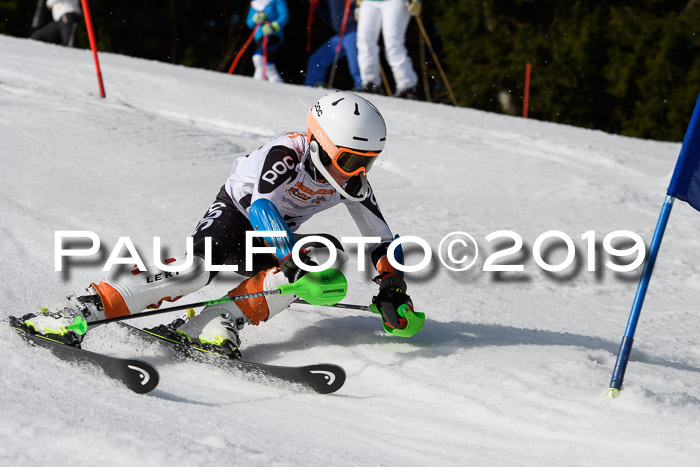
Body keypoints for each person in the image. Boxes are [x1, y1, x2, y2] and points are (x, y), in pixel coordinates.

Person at [20, 92, 417, 358]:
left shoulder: (353, 182)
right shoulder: (287, 153)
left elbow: (382, 239)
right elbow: (262, 207)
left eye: (369, 162)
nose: (358, 172)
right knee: (194, 273)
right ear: (318, 144)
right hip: (237, 215)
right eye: (350, 160)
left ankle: (218, 320)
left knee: (318, 262)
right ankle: (80, 309)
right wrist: (287, 255)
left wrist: (392, 286)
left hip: (274, 236)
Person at [355, 0, 421, 98]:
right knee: (364, 40)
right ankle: (370, 83)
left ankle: (407, 86)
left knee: (393, 42)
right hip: (368, 2)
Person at [305, 0, 362, 90]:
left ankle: (362, 86)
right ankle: (312, 87)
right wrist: (318, 5)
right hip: (340, 35)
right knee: (316, 60)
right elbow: (329, 18)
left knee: (355, 64)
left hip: (353, 32)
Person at [246, 0, 289, 83]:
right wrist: (255, 19)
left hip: (273, 35)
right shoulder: (255, 4)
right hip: (259, 36)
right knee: (267, 59)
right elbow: (249, 23)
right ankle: (276, 79)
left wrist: (275, 25)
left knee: (259, 56)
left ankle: (258, 80)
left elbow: (284, 16)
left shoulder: (277, 1)